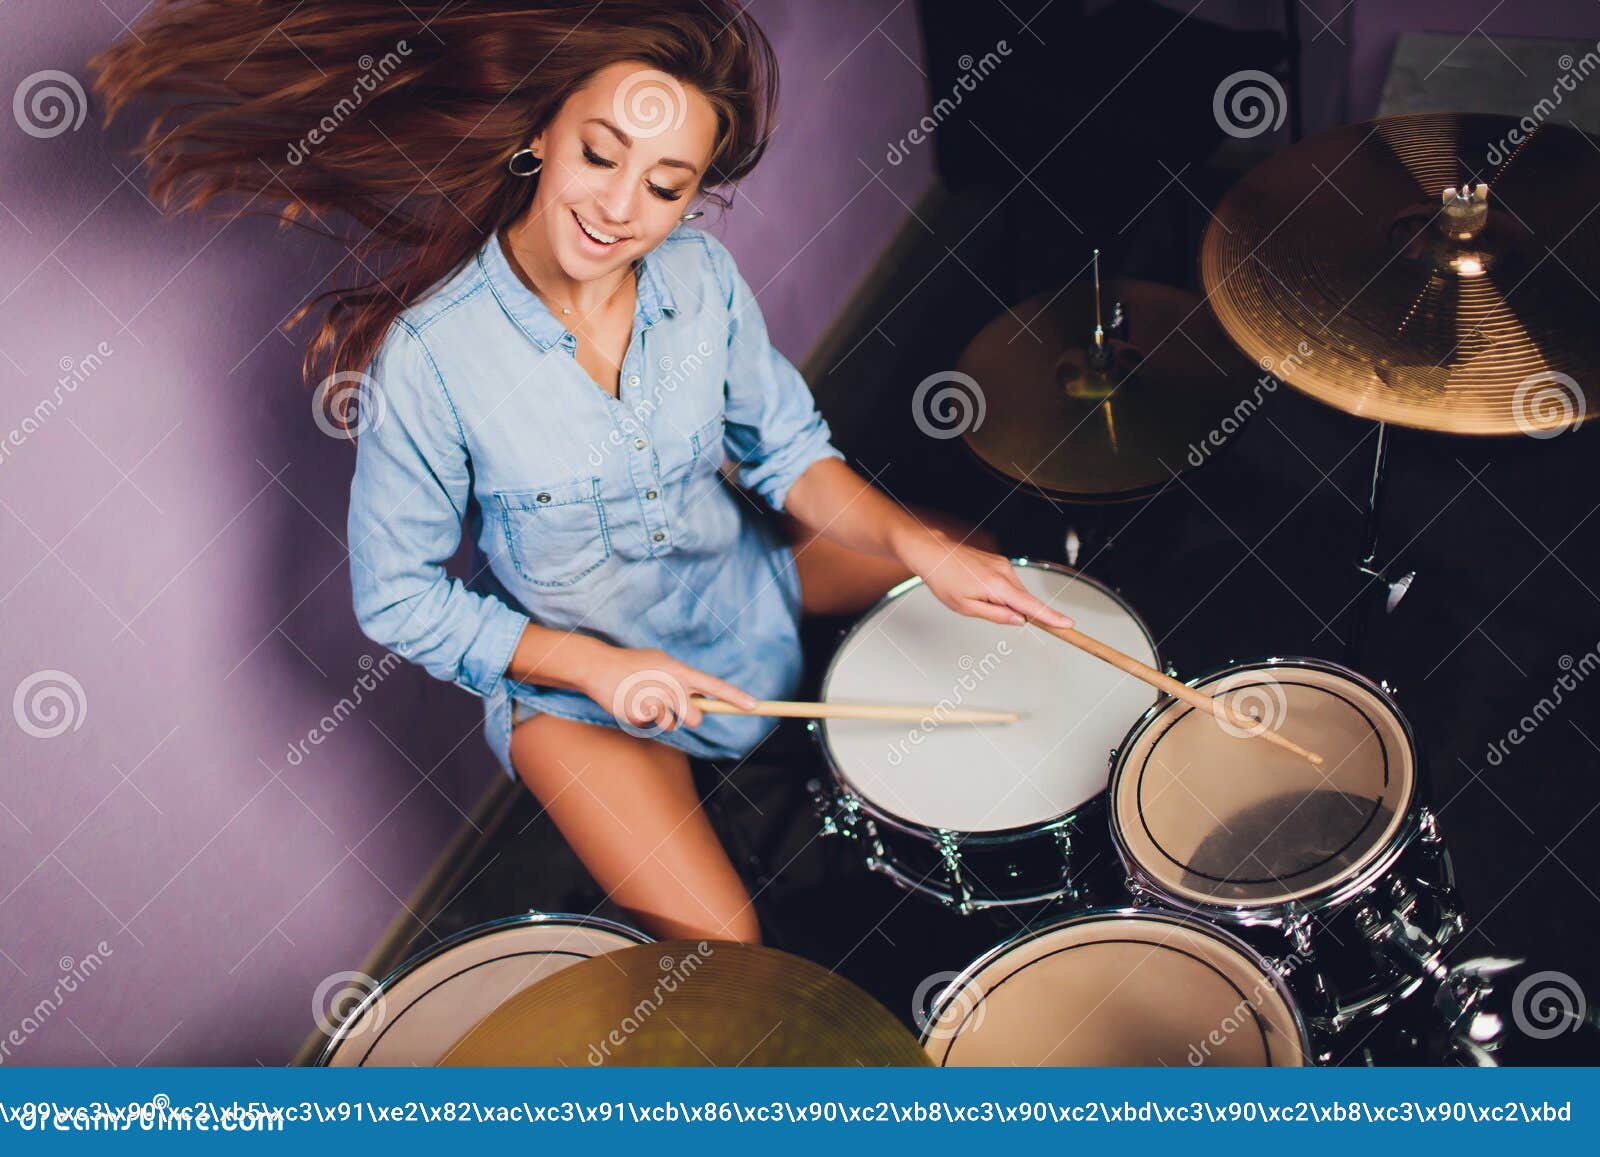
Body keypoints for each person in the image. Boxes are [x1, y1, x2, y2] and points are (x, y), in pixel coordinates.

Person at [94, 0, 1073, 945]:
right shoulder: (431, 361)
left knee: (973, 567)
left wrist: (913, 546)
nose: (619, 207)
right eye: (601, 153)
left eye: (664, 183)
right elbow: (395, 599)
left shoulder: (697, 279)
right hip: (576, 690)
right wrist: (599, 668)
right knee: (722, 948)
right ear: (541, 136)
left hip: (738, 584)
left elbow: (786, 454)